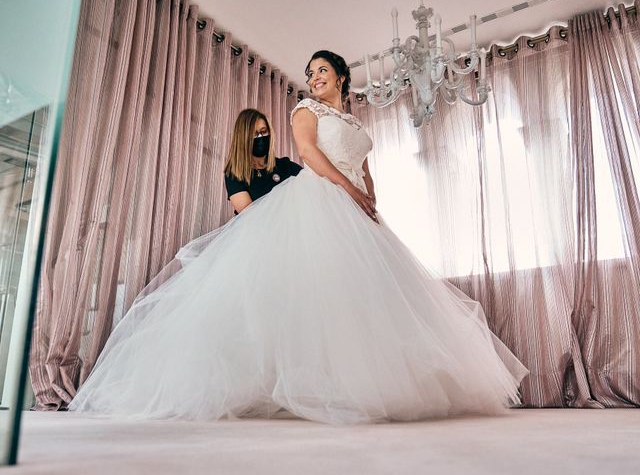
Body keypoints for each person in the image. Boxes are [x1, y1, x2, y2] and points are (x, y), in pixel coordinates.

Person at [68, 50, 528, 425]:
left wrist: (369, 198)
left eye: (322, 71)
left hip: (355, 207)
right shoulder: (303, 110)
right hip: (321, 199)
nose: (314, 78)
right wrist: (347, 189)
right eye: (310, 73)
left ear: (343, 77)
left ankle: (363, 379)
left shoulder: (353, 123)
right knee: (317, 293)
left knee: (363, 294)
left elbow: (363, 166)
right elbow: (308, 155)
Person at [224, 108, 302, 214]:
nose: (260, 137)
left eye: (264, 131)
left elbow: (312, 187)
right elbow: (248, 215)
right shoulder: (234, 174)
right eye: (254, 134)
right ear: (243, 138)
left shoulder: (286, 166)